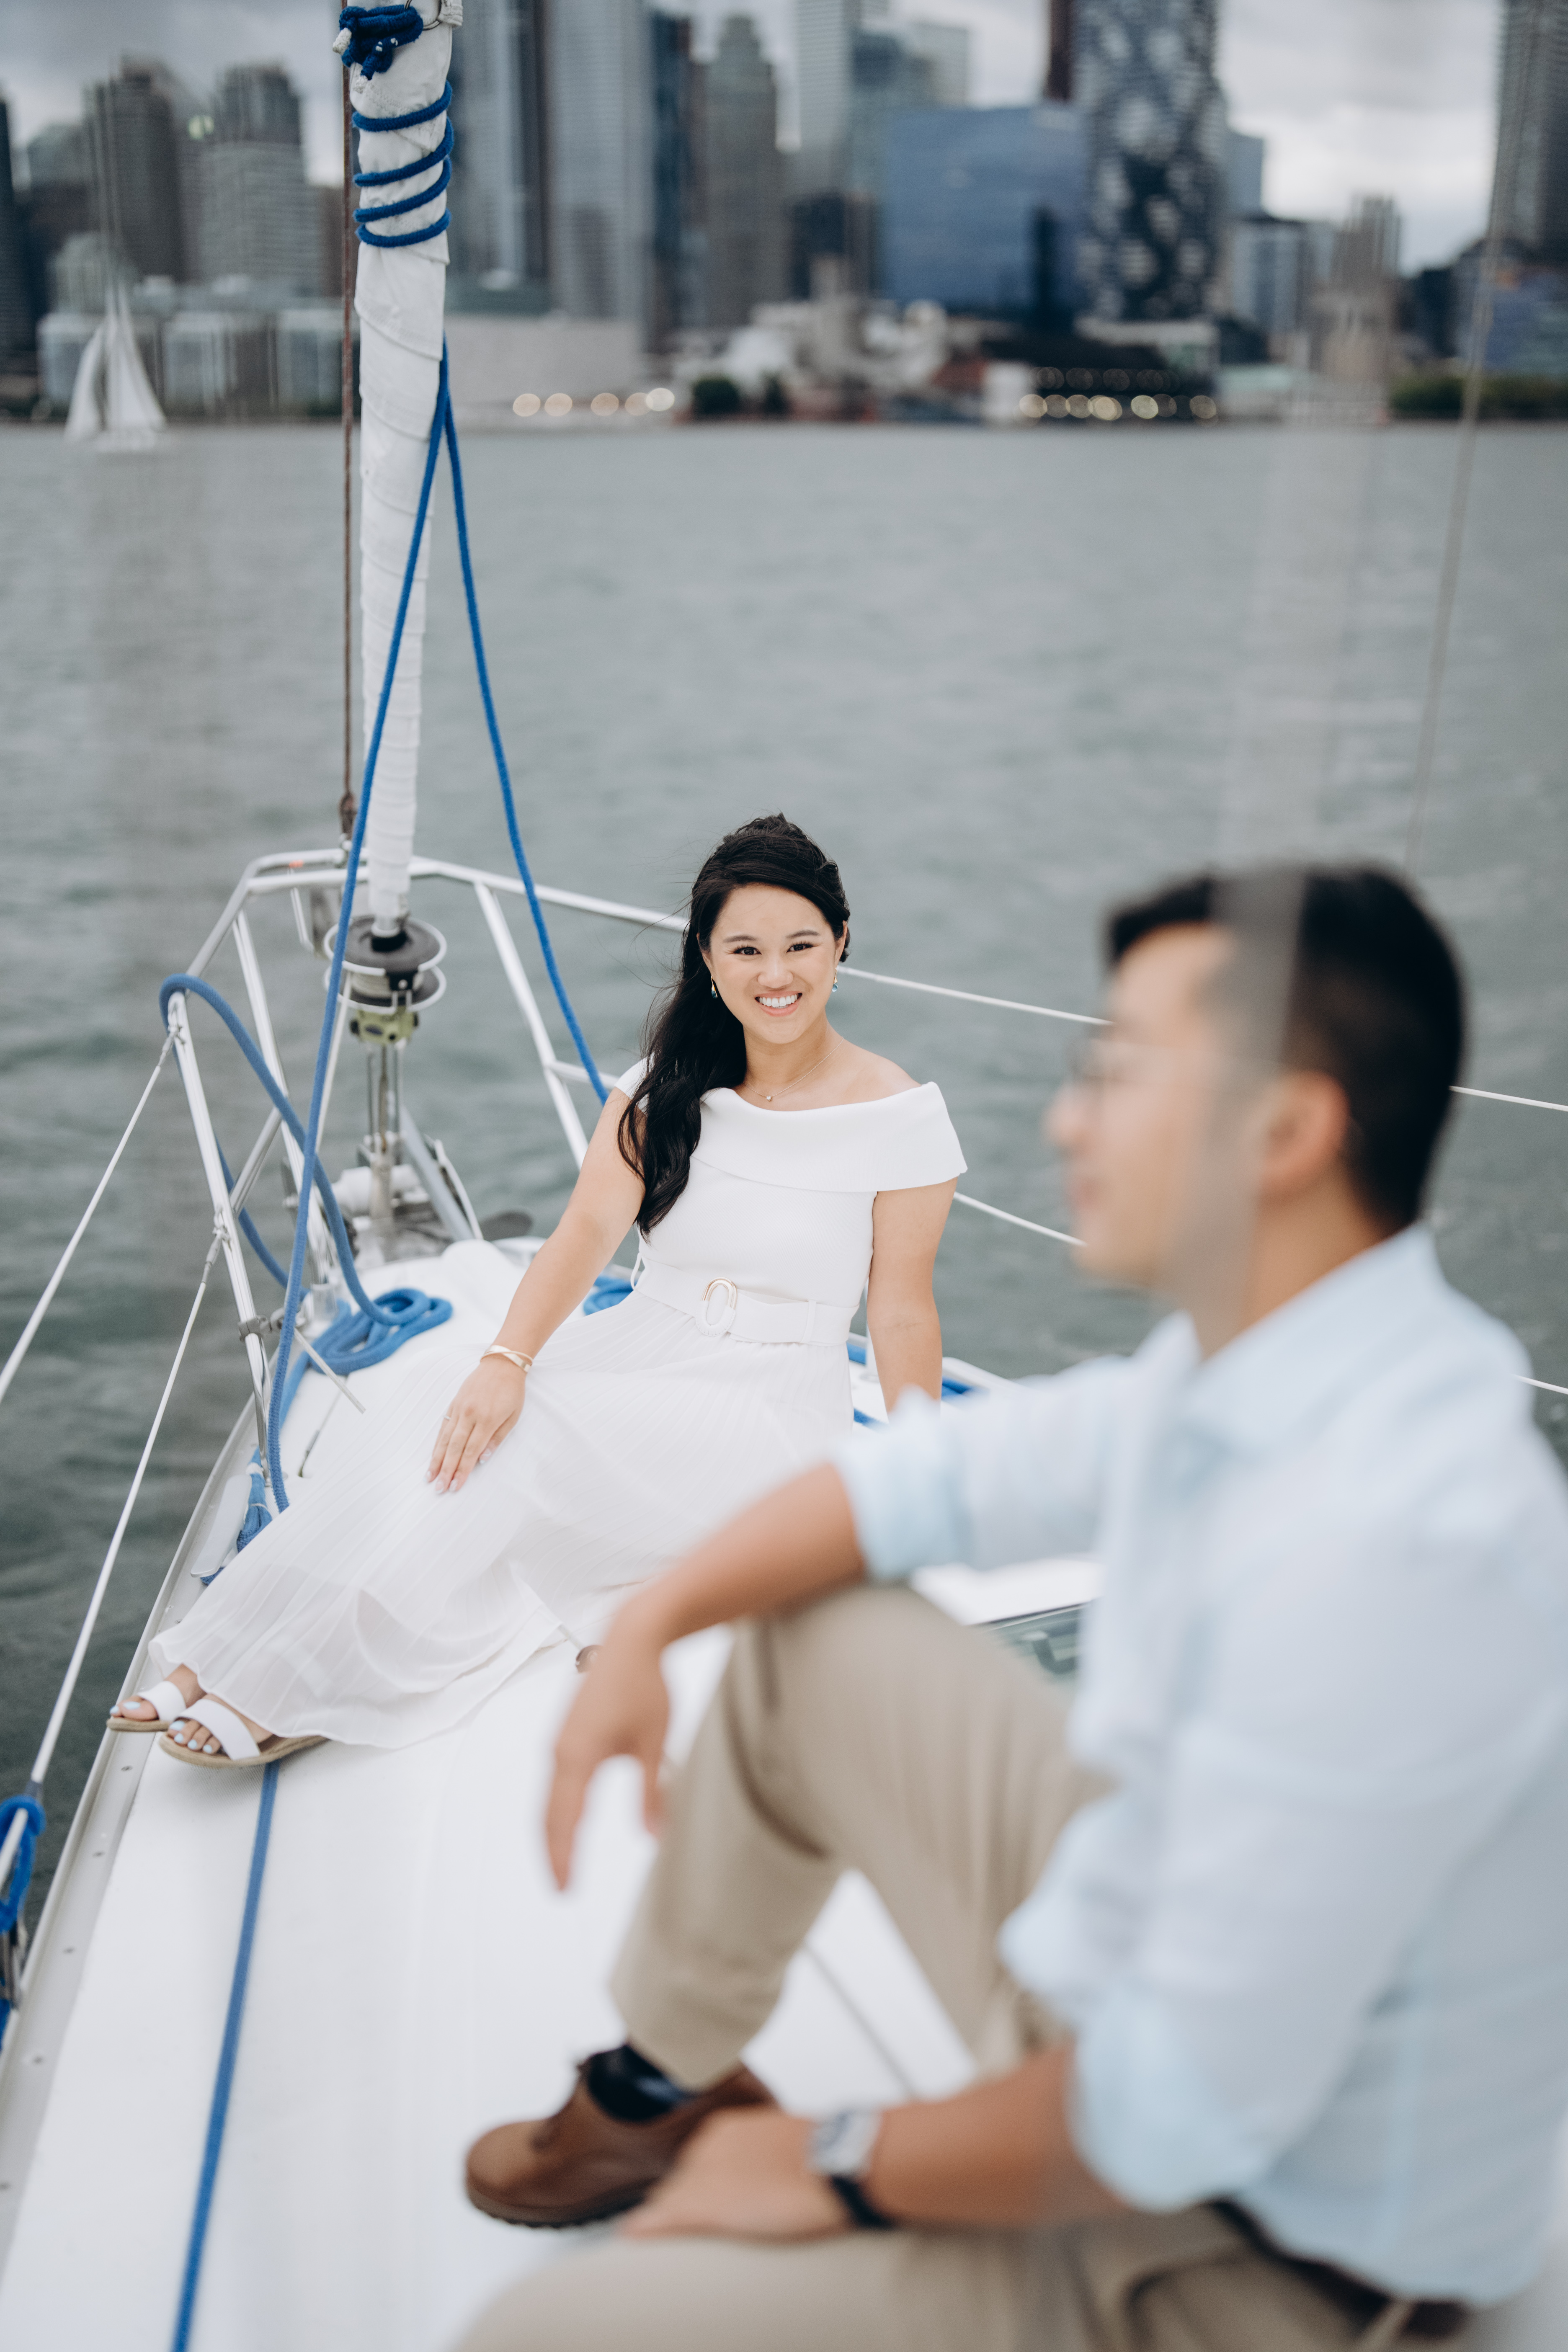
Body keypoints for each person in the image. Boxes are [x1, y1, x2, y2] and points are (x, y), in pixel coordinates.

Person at [458, 865, 1568, 2352]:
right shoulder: (1285, 1359)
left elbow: (1163, 2116)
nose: (1066, 1122)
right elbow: (921, 1484)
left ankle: (741, 2142)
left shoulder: (1397, 1546)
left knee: (537, 2337)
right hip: (1136, 1972)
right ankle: (662, 2084)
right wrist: (654, 1626)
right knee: (816, 1628)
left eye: (1120, 1073)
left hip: (1257, 2259)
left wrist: (830, 2160)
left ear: (1286, 1133)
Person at [108, 815, 965, 1764]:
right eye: (747, 949)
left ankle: (297, 1677)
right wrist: (504, 1360)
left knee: (525, 1440)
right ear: (707, 958)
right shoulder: (666, 1089)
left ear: (841, 943)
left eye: (801, 946)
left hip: (770, 1410)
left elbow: (901, 1309)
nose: (777, 974)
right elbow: (582, 1238)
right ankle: (227, 1647)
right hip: (650, 1346)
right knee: (438, 1396)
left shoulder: (898, 1115)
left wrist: (918, 1477)